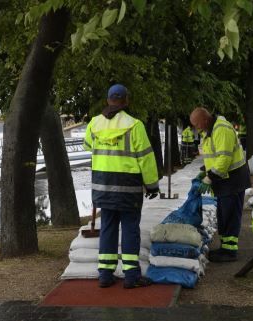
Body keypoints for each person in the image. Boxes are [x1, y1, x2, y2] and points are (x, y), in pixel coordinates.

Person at [84, 84, 159, 288]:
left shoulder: (94, 124)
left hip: (103, 186)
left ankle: (106, 275)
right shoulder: (134, 125)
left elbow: (87, 145)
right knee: (130, 229)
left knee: (107, 227)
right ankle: (131, 276)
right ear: (126, 101)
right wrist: (152, 185)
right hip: (128, 188)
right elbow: (145, 158)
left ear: (108, 100)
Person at [190, 107, 251, 262]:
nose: (196, 128)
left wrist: (209, 178)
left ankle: (230, 251)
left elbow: (224, 158)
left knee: (230, 214)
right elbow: (214, 155)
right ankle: (225, 248)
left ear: (205, 120)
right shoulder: (211, 130)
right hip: (225, 179)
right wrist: (205, 170)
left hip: (233, 179)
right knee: (223, 214)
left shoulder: (221, 129)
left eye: (197, 124)